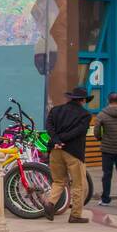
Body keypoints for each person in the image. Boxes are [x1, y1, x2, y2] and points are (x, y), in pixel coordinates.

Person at [43, 86, 93, 222]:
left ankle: (50, 203)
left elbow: (49, 127)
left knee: (58, 181)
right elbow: (78, 131)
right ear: (82, 100)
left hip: (55, 149)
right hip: (74, 152)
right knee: (78, 184)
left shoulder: (56, 110)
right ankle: (75, 215)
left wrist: (57, 140)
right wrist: (63, 140)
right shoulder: (85, 115)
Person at [93, 92, 117, 207]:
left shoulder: (102, 114)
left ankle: (105, 199)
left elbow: (97, 131)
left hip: (107, 148)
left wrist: (100, 138)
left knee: (107, 174)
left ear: (108, 101)